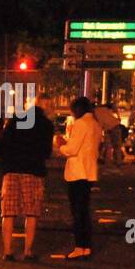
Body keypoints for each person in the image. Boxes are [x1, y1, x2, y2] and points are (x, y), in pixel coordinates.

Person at [0, 102, 54, 260]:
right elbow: (47, 151)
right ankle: (28, 251)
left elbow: (2, 144)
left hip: (11, 170)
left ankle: (7, 251)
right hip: (33, 171)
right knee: (31, 212)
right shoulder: (46, 125)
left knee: (8, 212)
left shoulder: (15, 120)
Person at [54, 96, 102, 259]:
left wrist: (61, 145)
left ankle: (80, 246)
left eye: (73, 110)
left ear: (78, 109)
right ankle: (86, 246)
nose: (73, 114)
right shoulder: (95, 124)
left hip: (77, 173)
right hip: (89, 171)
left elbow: (72, 149)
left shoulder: (81, 124)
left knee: (77, 212)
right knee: (84, 211)